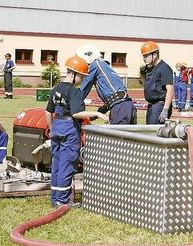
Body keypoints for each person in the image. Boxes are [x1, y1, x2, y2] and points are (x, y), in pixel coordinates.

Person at [45, 56, 108, 208]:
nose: (82, 80)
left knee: (57, 164)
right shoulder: (74, 92)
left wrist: (52, 129)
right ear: (73, 74)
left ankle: (55, 198)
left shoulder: (56, 89)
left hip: (57, 127)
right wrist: (98, 114)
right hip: (69, 129)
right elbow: (76, 114)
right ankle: (63, 201)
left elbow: (48, 112)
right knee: (67, 164)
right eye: (81, 76)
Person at [76, 45, 137, 124]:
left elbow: (83, 90)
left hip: (119, 107)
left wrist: (72, 101)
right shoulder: (104, 66)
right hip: (127, 105)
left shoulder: (95, 65)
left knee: (117, 136)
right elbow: (113, 98)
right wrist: (97, 114)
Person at [140, 41, 174, 123]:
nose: (144, 58)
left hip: (159, 106)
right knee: (149, 132)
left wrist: (165, 110)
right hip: (151, 105)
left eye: (146, 56)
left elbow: (170, 89)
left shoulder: (164, 68)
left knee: (155, 133)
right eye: (143, 56)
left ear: (154, 55)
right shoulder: (152, 68)